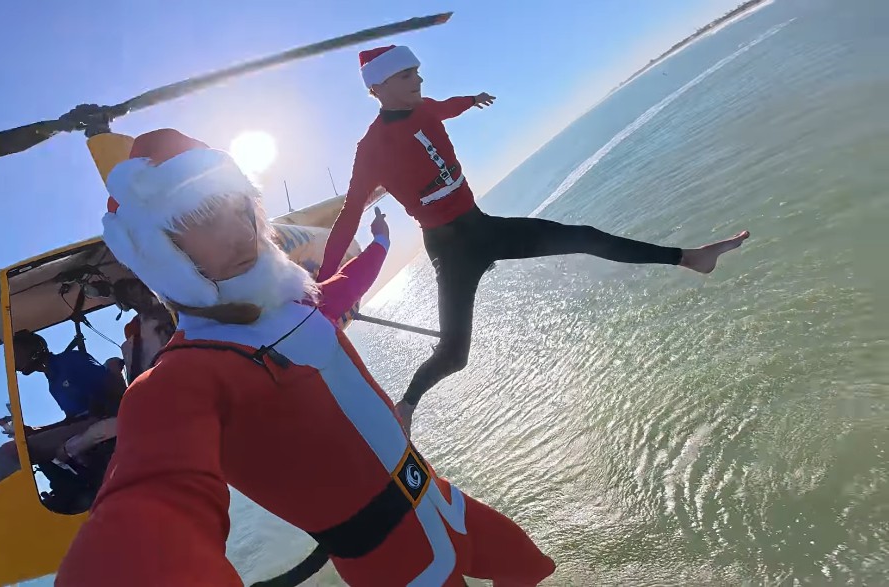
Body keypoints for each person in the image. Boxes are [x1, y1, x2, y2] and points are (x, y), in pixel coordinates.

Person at [54, 128, 556, 586]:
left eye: (238, 207)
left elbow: (346, 283)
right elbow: (149, 518)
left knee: (529, 566)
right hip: (395, 564)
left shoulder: (296, 304)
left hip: (441, 502)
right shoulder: (183, 376)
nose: (239, 232)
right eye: (202, 217)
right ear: (160, 251)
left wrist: (381, 241)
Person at [317, 45, 751, 434]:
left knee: (584, 237)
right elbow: (349, 215)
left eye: (416, 71)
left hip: (483, 229)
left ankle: (689, 258)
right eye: (407, 74)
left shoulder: (425, 108)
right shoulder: (371, 149)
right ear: (378, 86)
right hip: (451, 251)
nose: (419, 78)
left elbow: (446, 107)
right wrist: (321, 283)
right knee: (454, 354)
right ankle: (407, 406)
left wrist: (471, 100)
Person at [0, 331, 125, 484]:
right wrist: (35, 431)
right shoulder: (53, 385)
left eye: (16, 353)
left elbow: (110, 387)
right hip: (85, 423)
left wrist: (100, 409)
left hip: (99, 419)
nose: (14, 361)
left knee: (9, 453)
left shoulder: (70, 360)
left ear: (34, 347)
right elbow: (70, 420)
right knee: (12, 451)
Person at [111, 277, 176, 383]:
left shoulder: (174, 306)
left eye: (141, 290)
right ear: (129, 303)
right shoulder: (133, 328)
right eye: (131, 294)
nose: (141, 295)